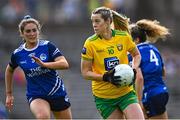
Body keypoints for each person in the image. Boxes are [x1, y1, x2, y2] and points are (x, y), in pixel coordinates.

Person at [81, 7, 144, 119]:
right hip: (104, 98)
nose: (94, 25)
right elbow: (85, 73)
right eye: (92, 21)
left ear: (108, 22)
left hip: (126, 92)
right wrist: (105, 77)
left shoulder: (123, 37)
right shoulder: (90, 43)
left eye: (97, 21)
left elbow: (137, 55)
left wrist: (133, 69)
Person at [5, 15, 72, 119]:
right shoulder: (18, 53)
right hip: (36, 94)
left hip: (56, 91)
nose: (31, 34)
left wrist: (44, 64)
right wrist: (9, 94)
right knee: (43, 116)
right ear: (22, 34)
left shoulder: (47, 46)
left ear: (38, 31)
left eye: (34, 30)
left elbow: (64, 64)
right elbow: (9, 70)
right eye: (28, 31)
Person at [128, 19, 170, 119]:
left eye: (129, 40)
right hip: (162, 91)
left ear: (136, 40)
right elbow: (163, 72)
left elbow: (139, 78)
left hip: (148, 95)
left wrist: (138, 101)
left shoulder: (135, 54)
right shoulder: (154, 49)